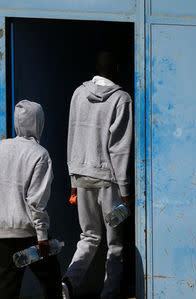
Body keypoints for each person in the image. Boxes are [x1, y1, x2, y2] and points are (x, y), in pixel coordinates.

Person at [63, 51, 133, 299]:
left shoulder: (78, 94)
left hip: (82, 176)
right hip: (109, 182)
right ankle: (110, 294)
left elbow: (72, 135)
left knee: (89, 236)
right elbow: (119, 147)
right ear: (115, 67)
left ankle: (69, 282)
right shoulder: (121, 99)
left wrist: (72, 179)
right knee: (114, 245)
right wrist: (125, 191)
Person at [0, 100, 63, 299]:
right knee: (52, 284)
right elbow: (36, 201)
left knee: (6, 291)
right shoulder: (40, 154)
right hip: (31, 234)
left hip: (4, 234)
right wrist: (42, 235)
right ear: (38, 123)